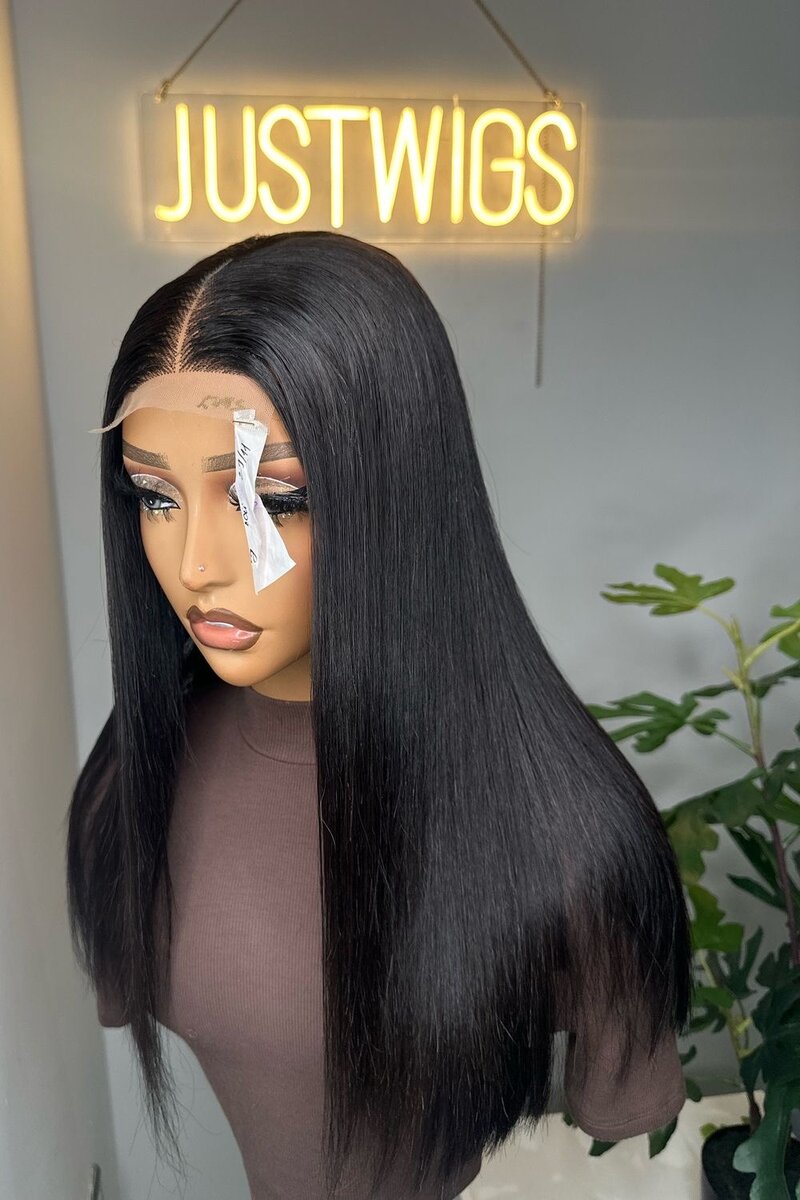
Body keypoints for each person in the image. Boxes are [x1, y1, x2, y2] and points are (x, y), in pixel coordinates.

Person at [66, 231, 692, 1200]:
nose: (196, 565)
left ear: (397, 491)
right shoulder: (131, 784)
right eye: (155, 495)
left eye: (271, 497)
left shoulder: (572, 840)